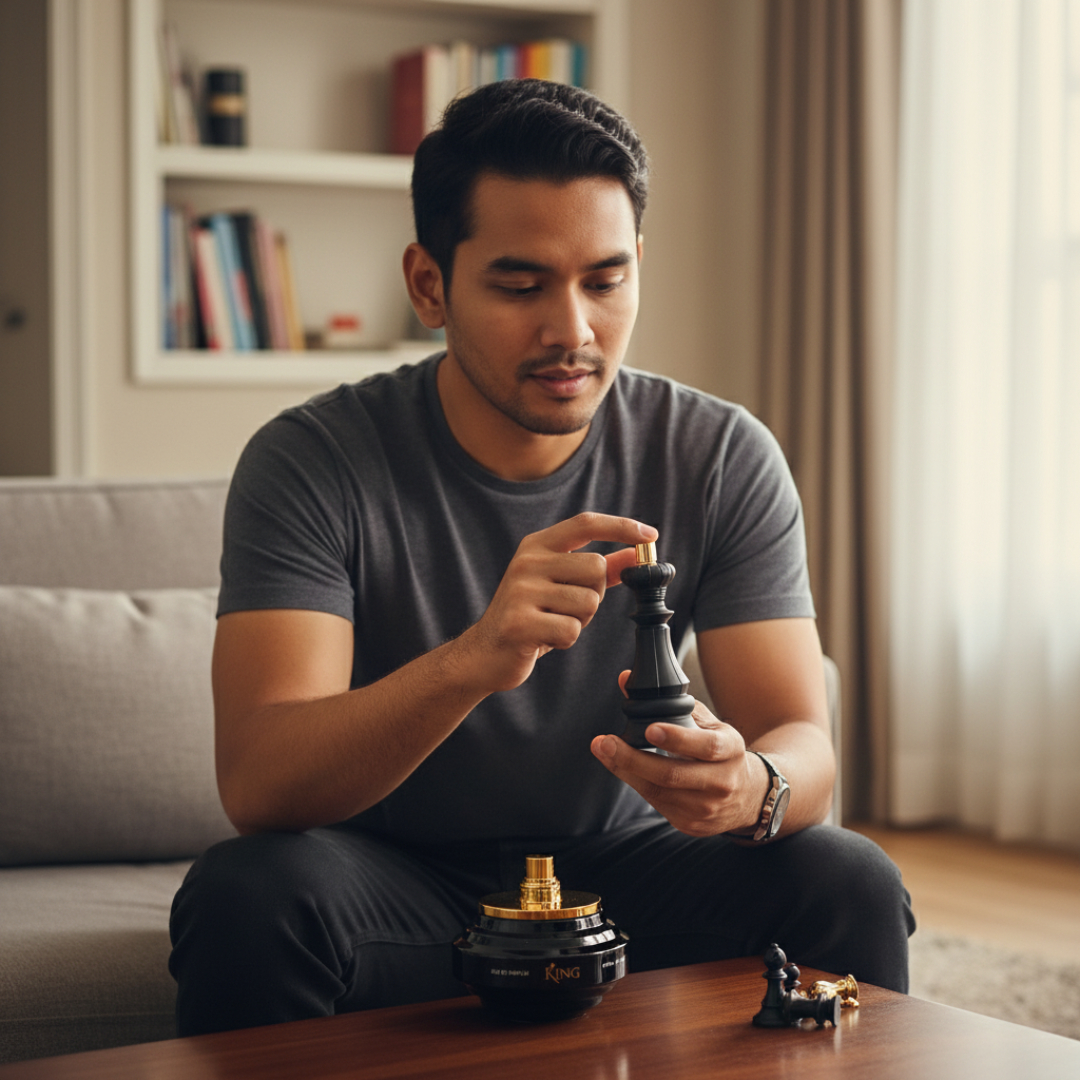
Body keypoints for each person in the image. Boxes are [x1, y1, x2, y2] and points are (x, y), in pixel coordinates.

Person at [169, 78, 914, 1036]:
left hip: (634, 874)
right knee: (250, 894)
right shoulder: (313, 460)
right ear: (430, 283)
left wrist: (748, 787)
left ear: (639, 264)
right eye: (521, 286)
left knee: (846, 875)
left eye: (606, 280)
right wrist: (476, 659)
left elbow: (802, 743)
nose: (574, 330)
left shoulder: (721, 454)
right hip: (402, 882)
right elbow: (261, 783)